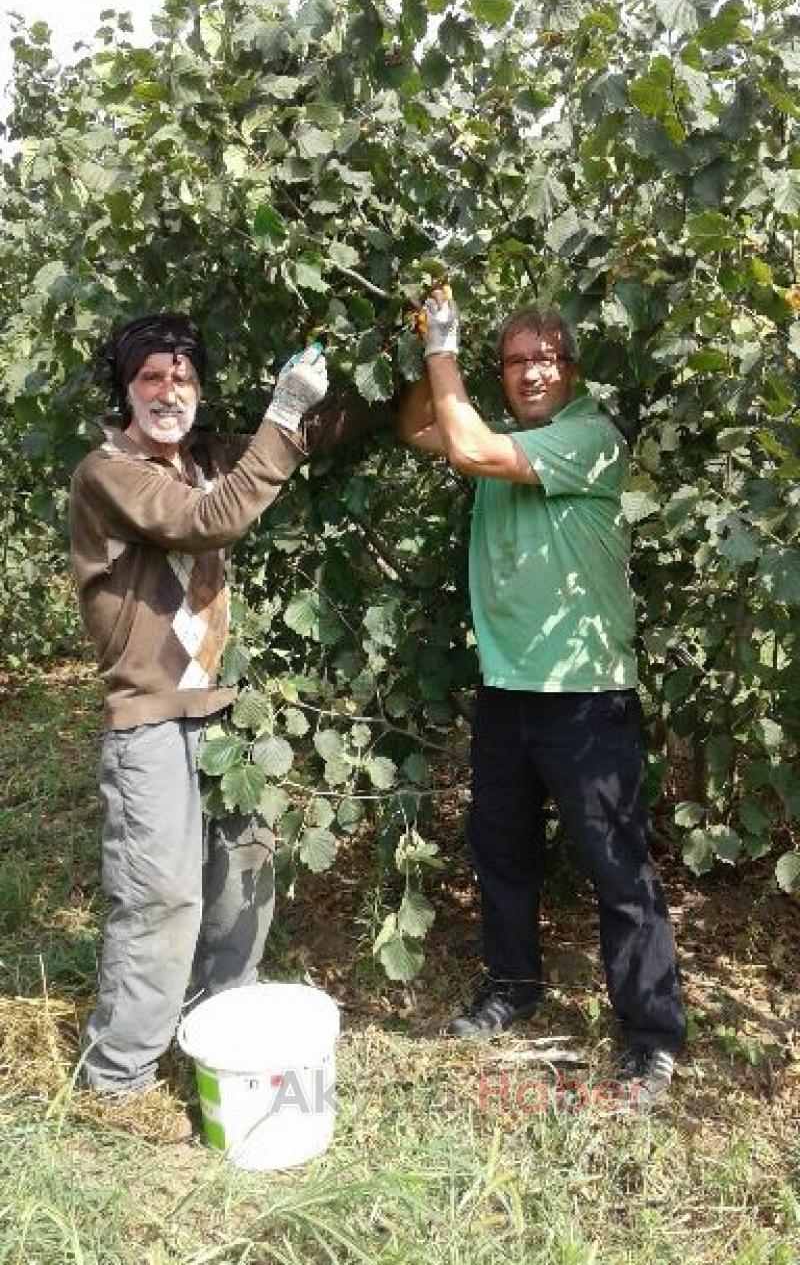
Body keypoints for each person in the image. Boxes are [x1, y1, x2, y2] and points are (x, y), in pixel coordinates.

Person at [70, 312, 391, 1100]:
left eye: (180, 377)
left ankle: (221, 1038)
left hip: (227, 713)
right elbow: (208, 519)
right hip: (149, 713)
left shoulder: (207, 458)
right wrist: (281, 410)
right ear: (126, 388)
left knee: (242, 874)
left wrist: (401, 358)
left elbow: (310, 438)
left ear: (199, 388)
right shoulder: (108, 472)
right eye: (150, 377)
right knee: (162, 895)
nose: (166, 390)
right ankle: (119, 1077)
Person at [396, 293, 686, 1103]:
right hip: (508, 690)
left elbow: (467, 449)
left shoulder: (590, 438)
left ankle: (653, 1035)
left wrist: (444, 347)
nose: (533, 371)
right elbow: (420, 428)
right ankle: (513, 985)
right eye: (518, 360)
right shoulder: (509, 436)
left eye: (547, 356)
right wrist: (429, 348)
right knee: (502, 850)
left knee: (617, 867)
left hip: (586, 695)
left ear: (574, 368)